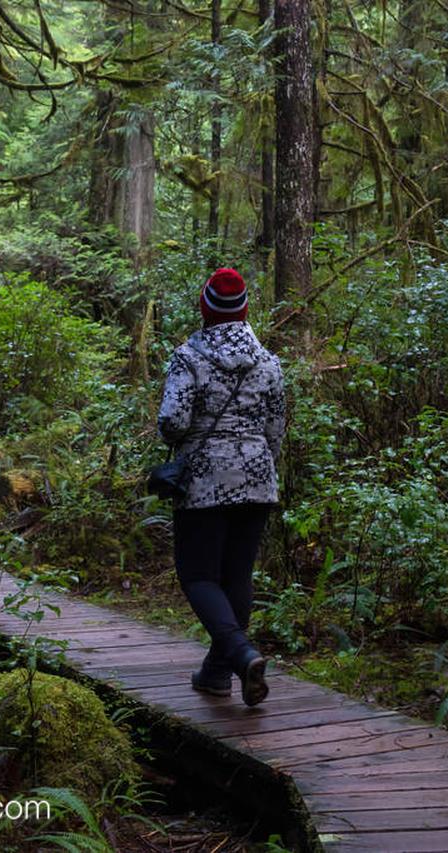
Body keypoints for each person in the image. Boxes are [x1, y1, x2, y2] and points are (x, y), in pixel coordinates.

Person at [157, 267, 285, 706]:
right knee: (236, 576)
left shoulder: (188, 357)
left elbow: (172, 423)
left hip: (205, 481)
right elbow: (275, 429)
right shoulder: (268, 362)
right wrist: (256, 459)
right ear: (244, 309)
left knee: (197, 574)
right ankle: (216, 673)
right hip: (257, 477)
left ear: (205, 308)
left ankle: (239, 653)